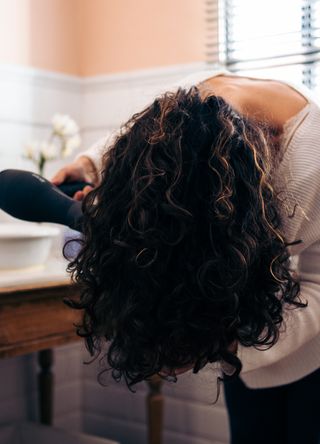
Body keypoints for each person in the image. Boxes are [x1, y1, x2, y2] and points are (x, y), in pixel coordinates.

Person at [52, 69, 320, 444]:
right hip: (246, 346)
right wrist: (90, 164)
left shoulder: (314, 159)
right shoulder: (188, 114)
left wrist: (227, 341)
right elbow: (143, 141)